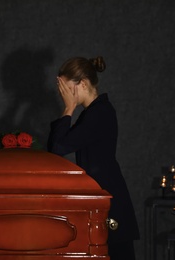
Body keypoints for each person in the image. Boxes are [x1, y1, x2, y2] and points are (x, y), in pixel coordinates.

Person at [47, 56, 140, 260]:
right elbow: (55, 148)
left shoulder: (100, 112)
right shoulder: (94, 112)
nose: (64, 95)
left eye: (66, 88)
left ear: (83, 83)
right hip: (103, 197)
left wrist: (68, 108)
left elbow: (57, 147)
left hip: (110, 200)